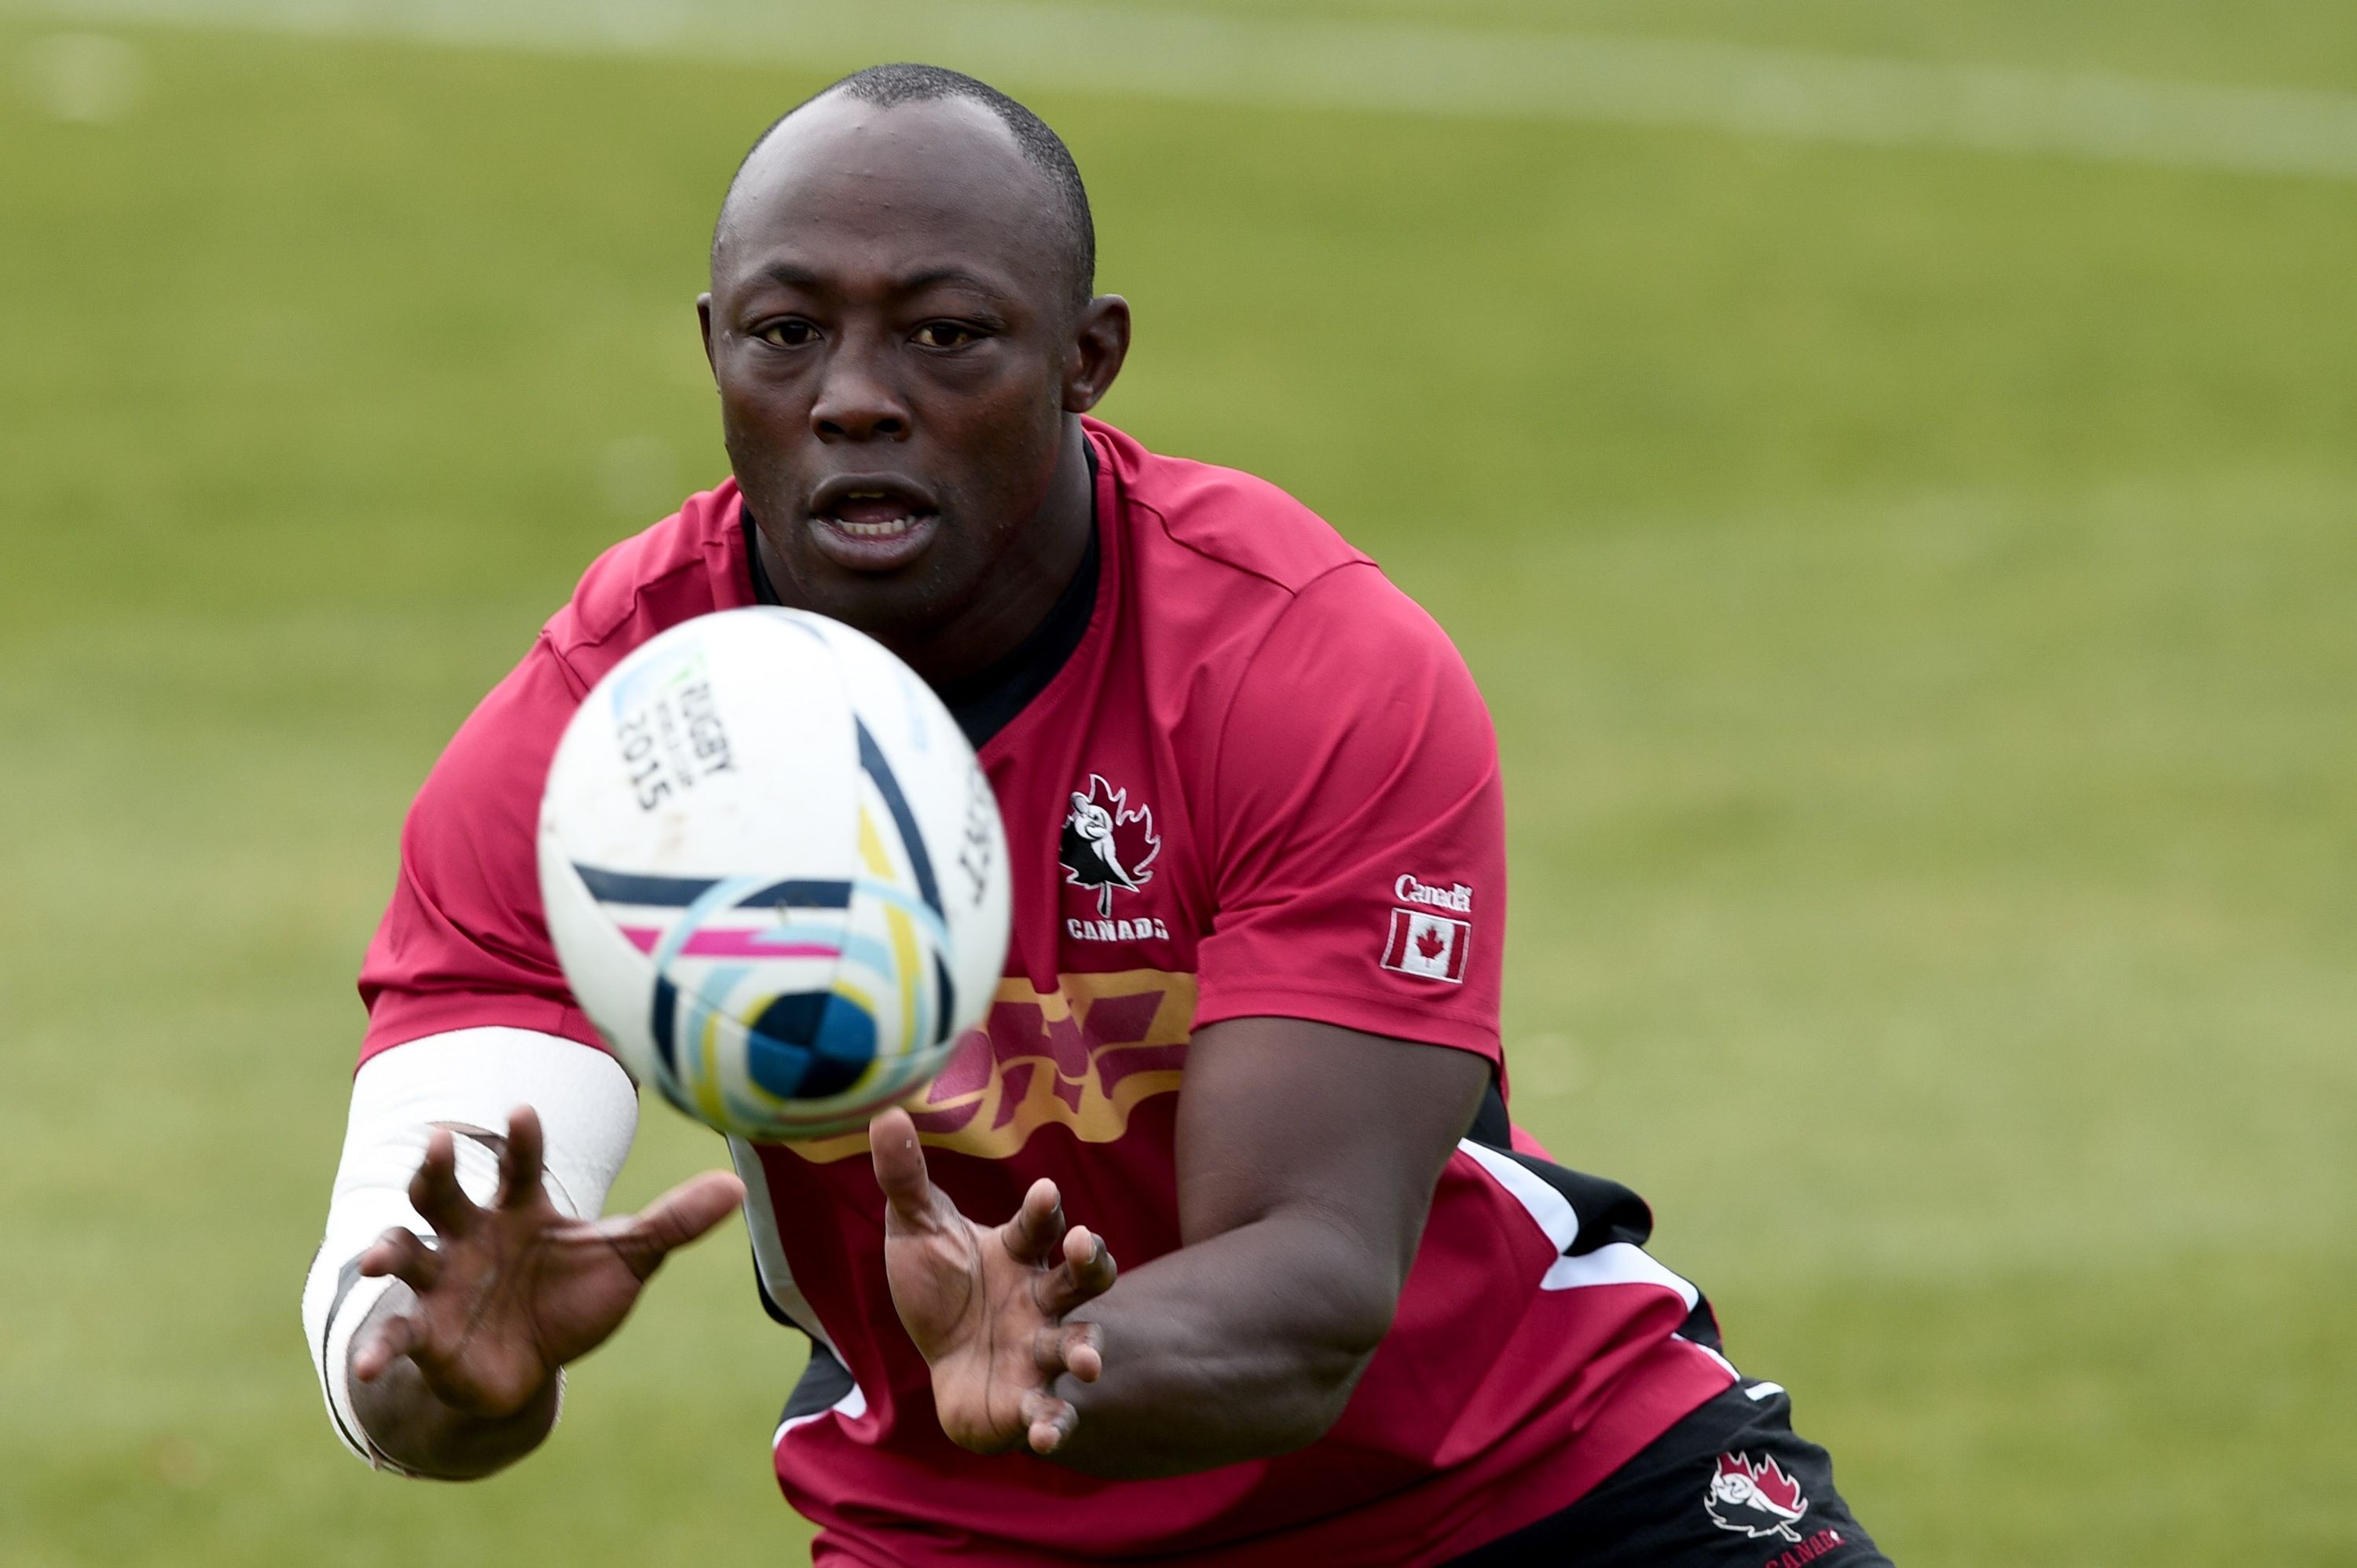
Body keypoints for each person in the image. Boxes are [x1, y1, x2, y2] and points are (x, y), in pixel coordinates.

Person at [300, 64, 1890, 1566]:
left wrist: (1063, 1348)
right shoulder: (602, 741)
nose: (853, 398)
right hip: (973, 1523)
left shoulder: (1297, 657)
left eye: (945, 336)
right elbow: (407, 1284)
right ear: (715, 346)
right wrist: (436, 1372)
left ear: (1088, 353)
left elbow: (1318, 1286)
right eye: (786, 335)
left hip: (1523, 1473)